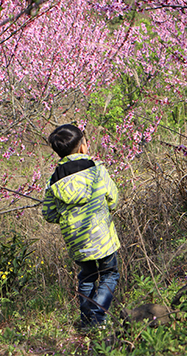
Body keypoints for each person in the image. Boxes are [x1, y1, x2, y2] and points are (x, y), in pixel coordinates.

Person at [42, 124, 121, 330]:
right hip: (103, 238)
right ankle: (98, 315)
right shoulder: (97, 171)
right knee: (110, 274)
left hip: (77, 242)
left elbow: (49, 214)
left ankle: (86, 322)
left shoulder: (54, 181)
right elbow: (113, 199)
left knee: (86, 277)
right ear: (83, 147)